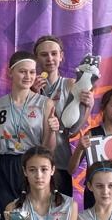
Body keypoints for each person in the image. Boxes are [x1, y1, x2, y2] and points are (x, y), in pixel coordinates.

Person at [0, 51, 59, 220]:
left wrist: (52, 131)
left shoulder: (45, 103)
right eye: (22, 71)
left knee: (31, 218)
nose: (28, 76)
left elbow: (48, 150)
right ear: (10, 72)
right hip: (4, 166)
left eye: (32, 72)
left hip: (31, 165)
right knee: (6, 218)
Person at [33, 35, 92, 196]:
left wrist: (88, 106)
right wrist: (33, 95)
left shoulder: (71, 85)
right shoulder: (29, 86)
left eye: (54, 53)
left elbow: (73, 131)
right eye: (44, 54)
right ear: (36, 58)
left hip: (60, 161)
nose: (49, 58)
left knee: (60, 209)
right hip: (34, 162)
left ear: (61, 56)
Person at [71, 88, 112, 211]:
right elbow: (71, 169)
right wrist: (79, 149)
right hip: (96, 197)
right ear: (103, 107)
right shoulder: (92, 135)